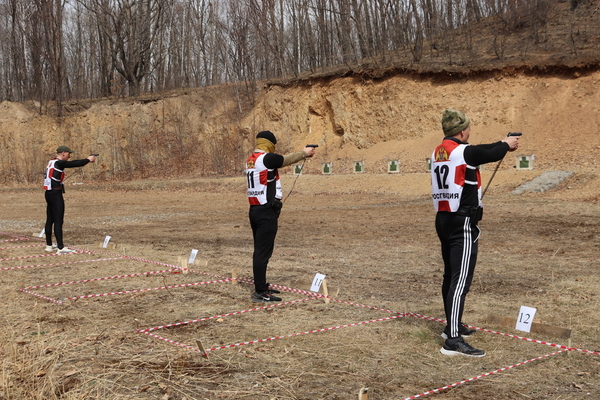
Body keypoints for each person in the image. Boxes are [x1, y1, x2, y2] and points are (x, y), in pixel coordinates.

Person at [431, 109, 519, 357]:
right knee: (460, 280)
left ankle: (452, 326)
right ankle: (453, 339)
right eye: (468, 128)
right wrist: (506, 144)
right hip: (462, 221)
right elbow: (488, 152)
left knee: (451, 276)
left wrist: (503, 142)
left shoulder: (439, 151)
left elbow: (482, 150)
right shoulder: (464, 152)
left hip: (444, 218)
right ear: (461, 131)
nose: (470, 131)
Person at [246, 131, 316, 302]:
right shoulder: (266, 158)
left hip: (255, 209)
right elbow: (285, 160)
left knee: (260, 251)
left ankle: (262, 285)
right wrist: (304, 153)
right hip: (265, 212)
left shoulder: (251, 159)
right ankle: (260, 292)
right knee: (263, 253)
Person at [44, 146, 96, 254]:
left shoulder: (52, 162)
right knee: (58, 220)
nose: (69, 156)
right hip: (55, 193)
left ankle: (49, 245)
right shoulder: (59, 163)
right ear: (63, 153)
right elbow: (75, 163)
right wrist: (88, 159)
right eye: (68, 154)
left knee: (50, 219)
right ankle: (61, 248)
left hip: (49, 193)